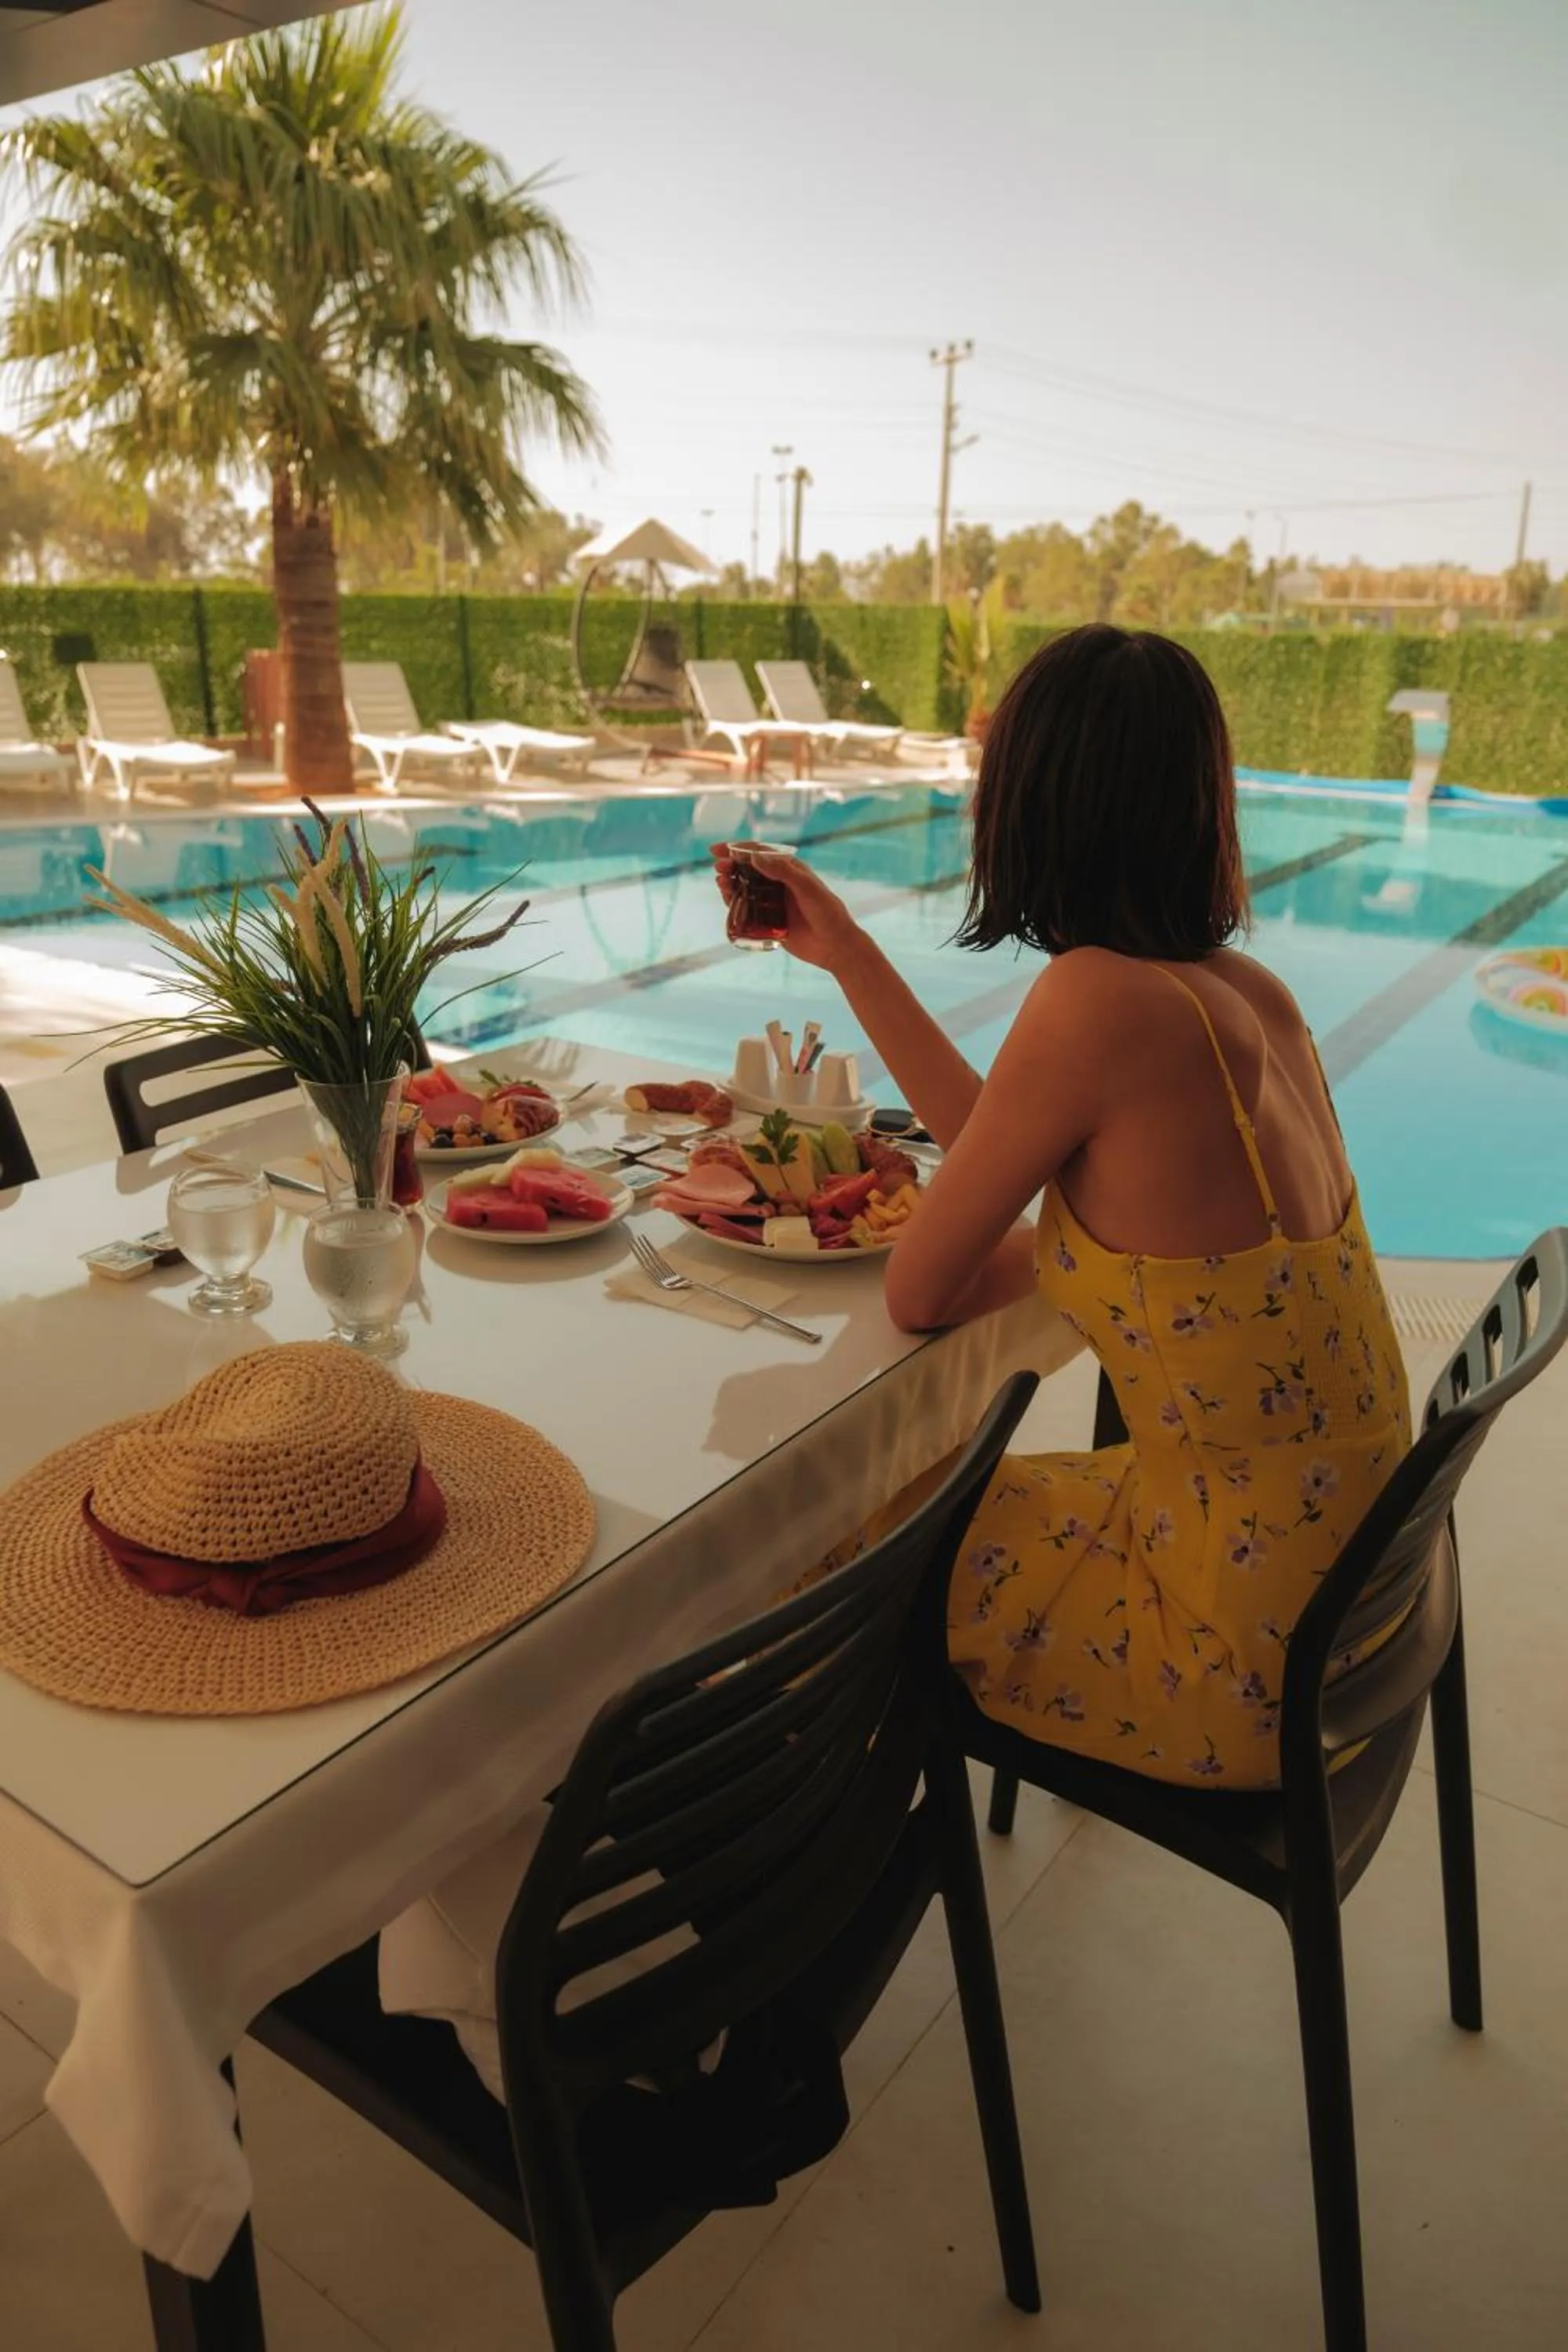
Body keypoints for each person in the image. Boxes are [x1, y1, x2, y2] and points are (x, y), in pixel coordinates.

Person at [712, 624, 1410, 1788]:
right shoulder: (1249, 996)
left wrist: (983, 1230)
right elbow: (1022, 1149)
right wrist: (846, 956)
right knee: (922, 1489)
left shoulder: (1096, 1000)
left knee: (806, 1553)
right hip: (1354, 1592)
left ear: (1031, 804)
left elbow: (919, 1289)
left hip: (1234, 1656)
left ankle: (798, 1889)